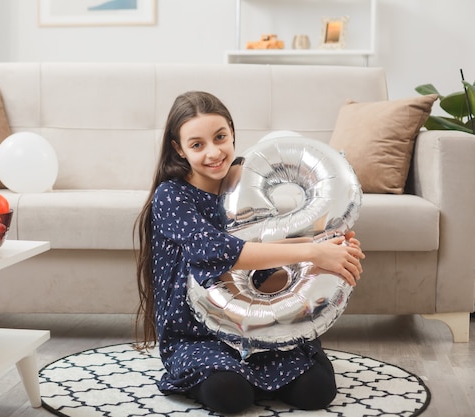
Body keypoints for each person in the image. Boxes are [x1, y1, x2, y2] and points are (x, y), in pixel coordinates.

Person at [134, 91, 365, 414]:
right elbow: (220, 252)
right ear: (179, 149)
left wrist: (326, 256)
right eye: (197, 144)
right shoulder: (171, 196)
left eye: (220, 137)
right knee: (231, 395)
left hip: (255, 327)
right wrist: (313, 251)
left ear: (232, 132)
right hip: (196, 336)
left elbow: (263, 273)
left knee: (317, 392)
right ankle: (239, 375)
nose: (214, 152)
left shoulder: (245, 188)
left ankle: (291, 354)